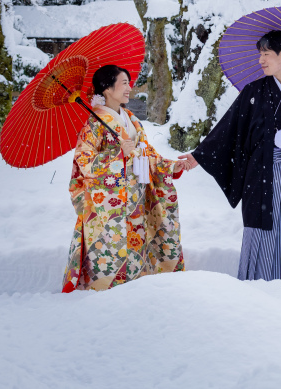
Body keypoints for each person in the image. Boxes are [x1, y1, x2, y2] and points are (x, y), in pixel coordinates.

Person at [179, 30, 281, 282]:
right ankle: (257, 284)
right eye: (259, 55)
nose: (260, 60)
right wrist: (199, 156)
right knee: (263, 227)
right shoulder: (253, 91)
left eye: (266, 54)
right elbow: (228, 128)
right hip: (261, 176)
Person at [61, 65, 188, 292]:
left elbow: (147, 154)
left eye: (129, 83)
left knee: (136, 248)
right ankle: (104, 300)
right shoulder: (93, 124)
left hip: (135, 198)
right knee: (110, 252)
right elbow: (84, 162)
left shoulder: (130, 118)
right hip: (108, 206)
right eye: (124, 83)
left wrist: (171, 165)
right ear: (107, 89)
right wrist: (117, 155)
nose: (130, 88)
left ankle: (135, 296)